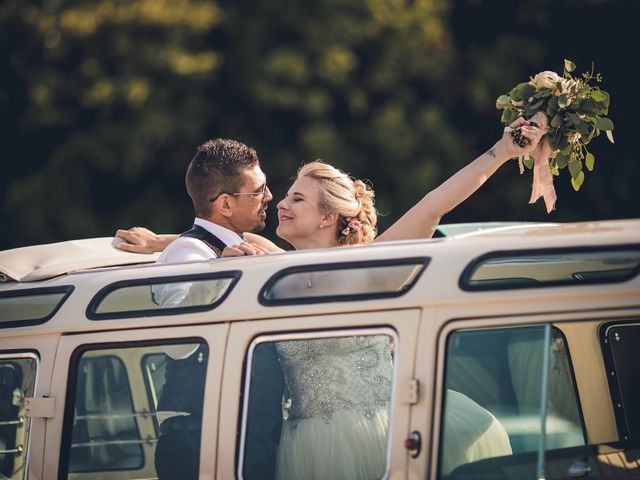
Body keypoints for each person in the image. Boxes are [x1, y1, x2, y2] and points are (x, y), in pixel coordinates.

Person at [117, 116, 545, 479]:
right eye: (284, 195)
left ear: (328, 216)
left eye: (296, 198)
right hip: (303, 444)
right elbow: (215, 236)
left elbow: (434, 206)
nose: (279, 204)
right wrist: (161, 243)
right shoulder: (272, 266)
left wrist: (502, 151)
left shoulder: (366, 268)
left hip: (380, 431)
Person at [122, 138, 284, 480]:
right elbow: (177, 341)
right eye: (259, 190)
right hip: (201, 437)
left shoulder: (240, 247)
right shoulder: (188, 253)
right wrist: (219, 275)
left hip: (243, 434)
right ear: (225, 204)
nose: (269, 197)